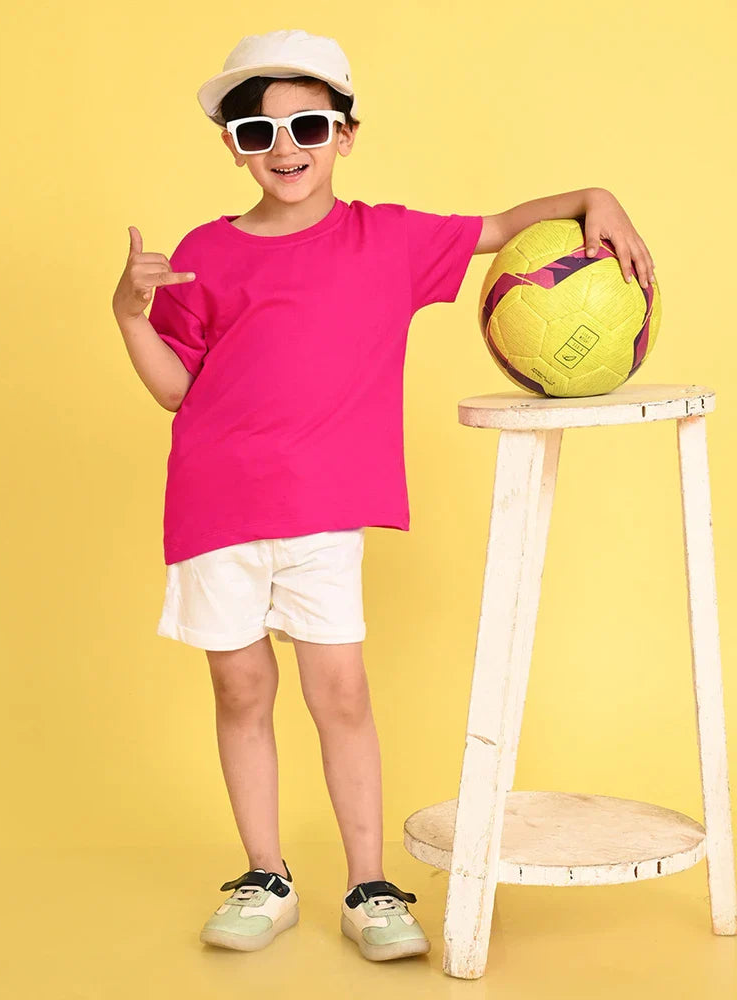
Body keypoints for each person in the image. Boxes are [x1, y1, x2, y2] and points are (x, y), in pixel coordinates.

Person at [111, 28, 656, 963]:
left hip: (322, 512)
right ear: (233, 145)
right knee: (240, 689)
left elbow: (502, 228)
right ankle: (266, 875)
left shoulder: (388, 239)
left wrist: (594, 197)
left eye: (309, 126)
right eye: (258, 130)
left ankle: (368, 883)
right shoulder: (206, 251)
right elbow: (175, 390)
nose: (285, 148)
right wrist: (127, 315)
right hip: (214, 506)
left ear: (346, 134)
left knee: (341, 694)